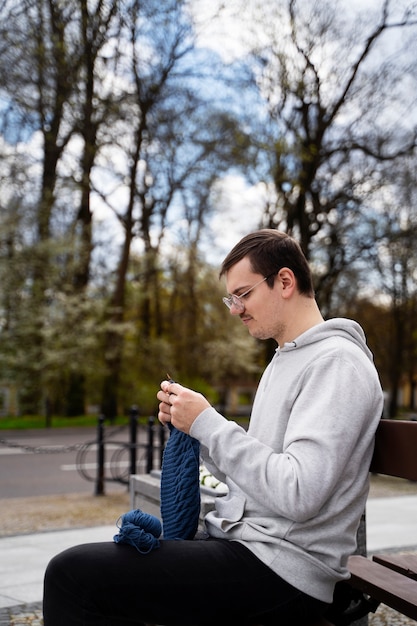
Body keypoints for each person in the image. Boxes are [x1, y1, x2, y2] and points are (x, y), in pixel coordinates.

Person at [43, 229, 384, 626]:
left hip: (285, 570)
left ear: (285, 282)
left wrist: (208, 424)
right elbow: (260, 478)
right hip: (252, 548)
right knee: (96, 573)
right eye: (231, 298)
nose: (234, 308)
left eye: (243, 294)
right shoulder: (285, 359)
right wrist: (195, 430)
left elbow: (297, 493)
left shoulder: (336, 364)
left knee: (71, 575)